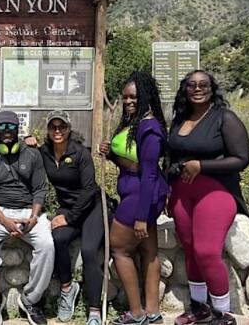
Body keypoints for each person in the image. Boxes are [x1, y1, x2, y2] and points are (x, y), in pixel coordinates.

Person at [168, 70, 249, 325]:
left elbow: (241, 159)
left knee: (206, 251)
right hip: (182, 193)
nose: (197, 89)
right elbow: (171, 156)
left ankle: (222, 313)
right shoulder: (179, 119)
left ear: (212, 88)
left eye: (203, 84)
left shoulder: (224, 118)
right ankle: (198, 308)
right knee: (191, 250)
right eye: (191, 85)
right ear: (185, 89)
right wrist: (167, 189)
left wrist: (201, 166)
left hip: (216, 192)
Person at [99, 71, 168, 325]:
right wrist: (111, 154)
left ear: (146, 97)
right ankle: (153, 312)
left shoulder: (149, 128)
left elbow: (149, 173)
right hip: (135, 189)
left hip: (142, 194)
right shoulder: (133, 122)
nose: (128, 101)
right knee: (149, 251)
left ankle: (137, 313)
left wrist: (141, 217)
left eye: (134, 97)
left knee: (119, 248)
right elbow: (132, 162)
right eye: (126, 97)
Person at [0, 110, 55, 325]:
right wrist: (4, 221)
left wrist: (34, 217)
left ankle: (30, 299)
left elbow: (39, 189)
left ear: (18, 129)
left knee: (47, 245)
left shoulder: (32, 153)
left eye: (11, 127)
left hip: (29, 210)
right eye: (2, 127)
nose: (7, 131)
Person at [38, 110, 103, 324]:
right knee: (57, 239)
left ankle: (94, 309)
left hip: (92, 207)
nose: (57, 131)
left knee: (89, 251)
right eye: (53, 127)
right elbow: (22, 156)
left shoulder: (80, 153)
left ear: (69, 129)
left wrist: (69, 218)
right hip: (68, 206)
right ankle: (67, 288)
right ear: (47, 130)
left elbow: (89, 189)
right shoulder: (43, 152)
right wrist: (26, 141)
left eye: (62, 127)